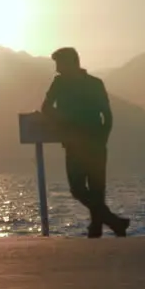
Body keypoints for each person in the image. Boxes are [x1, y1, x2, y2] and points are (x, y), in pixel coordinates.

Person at [41, 47, 129, 238]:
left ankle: (97, 229)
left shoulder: (88, 84)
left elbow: (106, 114)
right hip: (82, 143)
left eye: (59, 64)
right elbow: (47, 107)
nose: (57, 69)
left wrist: (101, 137)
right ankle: (113, 222)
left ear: (71, 62)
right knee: (82, 189)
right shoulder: (66, 83)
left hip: (87, 143)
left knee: (90, 188)